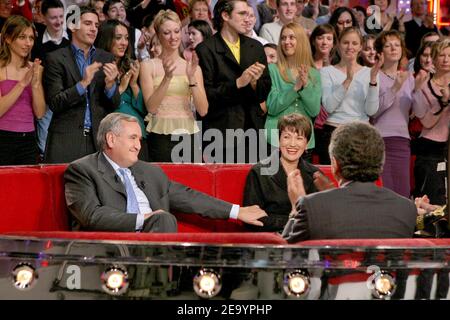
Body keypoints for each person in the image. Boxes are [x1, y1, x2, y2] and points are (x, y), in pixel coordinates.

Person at [64, 112, 268, 232]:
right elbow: (91, 215)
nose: (138, 146)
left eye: (139, 140)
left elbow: (188, 197)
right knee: (163, 219)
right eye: (133, 138)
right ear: (111, 139)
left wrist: (237, 211)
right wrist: (144, 219)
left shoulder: (149, 172)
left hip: (155, 240)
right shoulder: (82, 170)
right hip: (111, 249)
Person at [282, 121, 417, 243]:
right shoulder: (407, 209)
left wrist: (295, 209)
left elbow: (283, 255)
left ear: (335, 164)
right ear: (381, 164)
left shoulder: (311, 206)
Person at [195, 0, 271, 163]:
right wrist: (238, 83)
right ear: (225, 16)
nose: (248, 19)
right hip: (220, 134)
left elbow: (265, 91)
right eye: (242, 14)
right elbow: (207, 96)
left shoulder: (256, 47)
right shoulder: (205, 49)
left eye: (249, 15)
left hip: (254, 132)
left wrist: (254, 83)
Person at [43, 6, 120, 163]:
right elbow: (55, 103)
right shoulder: (55, 58)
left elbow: (114, 105)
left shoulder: (106, 57)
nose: (93, 29)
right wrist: (83, 83)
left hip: (98, 142)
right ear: (72, 26)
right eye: (87, 23)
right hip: (65, 142)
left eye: (96, 25)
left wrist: (110, 86)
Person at [243, 113, 332, 232]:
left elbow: (322, 218)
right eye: (287, 137)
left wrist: (275, 219)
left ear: (306, 144)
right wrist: (295, 221)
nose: (292, 144)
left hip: (305, 240)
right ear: (279, 140)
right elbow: (252, 219)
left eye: (299, 138)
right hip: (269, 240)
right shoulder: (259, 172)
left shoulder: (315, 174)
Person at [140, 9, 208, 163]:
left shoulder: (193, 67)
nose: (173, 37)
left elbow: (203, 110)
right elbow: (151, 107)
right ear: (158, 35)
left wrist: (191, 78)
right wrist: (167, 78)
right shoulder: (148, 66)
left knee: (189, 183)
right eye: (167, 33)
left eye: (177, 31)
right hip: (159, 135)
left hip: (188, 134)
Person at [317, 27, 381, 164]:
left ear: (360, 47)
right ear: (338, 44)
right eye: (346, 42)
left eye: (354, 43)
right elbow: (328, 106)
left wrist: (373, 80)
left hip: (361, 133)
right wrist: (347, 81)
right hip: (333, 132)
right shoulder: (326, 72)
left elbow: (371, 111)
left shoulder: (370, 72)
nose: (350, 47)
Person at [370, 30, 420, 198]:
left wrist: (419, 90)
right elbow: (374, 112)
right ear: (380, 52)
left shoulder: (410, 78)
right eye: (388, 45)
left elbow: (415, 114)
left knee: (402, 192)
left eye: (397, 45)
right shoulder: (374, 75)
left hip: (402, 141)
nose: (393, 48)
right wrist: (395, 88)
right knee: (383, 193)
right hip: (379, 141)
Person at [265, 23, 321, 160]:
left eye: (291, 37)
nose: (286, 42)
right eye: (283, 38)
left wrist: (306, 85)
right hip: (275, 140)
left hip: (304, 140)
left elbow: (314, 111)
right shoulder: (272, 69)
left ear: (301, 41)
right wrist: (295, 88)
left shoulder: (314, 74)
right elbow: (272, 106)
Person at [95, 19, 149, 161]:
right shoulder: (97, 67)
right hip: (114, 137)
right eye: (118, 38)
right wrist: (121, 87)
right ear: (106, 39)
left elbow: (144, 109)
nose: (124, 43)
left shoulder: (132, 65)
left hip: (138, 133)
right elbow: (102, 105)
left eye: (126, 38)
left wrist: (133, 85)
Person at [0, 15, 45, 165]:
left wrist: (35, 84)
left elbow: (40, 113)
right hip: (3, 139)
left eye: (31, 38)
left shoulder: (35, 68)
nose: (28, 43)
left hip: (28, 141)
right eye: (22, 37)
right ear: (7, 38)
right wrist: (21, 83)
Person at [412, 39, 450, 206]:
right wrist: (444, 101)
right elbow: (427, 122)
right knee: (432, 202)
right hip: (431, 151)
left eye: (449, 55)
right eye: (441, 55)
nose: (446, 59)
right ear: (433, 59)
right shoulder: (424, 86)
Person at [32, 0, 71, 160]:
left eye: (61, 16)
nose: (58, 21)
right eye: (53, 17)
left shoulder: (72, 41)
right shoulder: (37, 45)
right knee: (44, 147)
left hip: (69, 102)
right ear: (43, 17)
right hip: (47, 104)